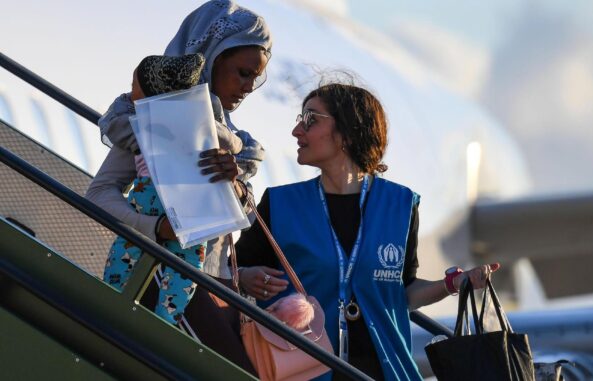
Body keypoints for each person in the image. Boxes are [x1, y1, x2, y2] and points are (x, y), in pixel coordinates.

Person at [234, 82, 500, 380]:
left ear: (348, 132)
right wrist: (245, 276)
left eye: (310, 120)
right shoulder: (279, 204)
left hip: (382, 370)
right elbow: (231, 271)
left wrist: (453, 283)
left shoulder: (400, 204)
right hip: (303, 368)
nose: (297, 131)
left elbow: (403, 292)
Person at [86, 0, 272, 324]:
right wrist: (155, 228)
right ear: (211, 58)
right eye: (243, 74)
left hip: (217, 285)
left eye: (254, 79)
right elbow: (100, 193)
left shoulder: (233, 138)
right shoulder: (151, 119)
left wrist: (238, 188)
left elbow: (238, 215)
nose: (248, 88)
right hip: (158, 277)